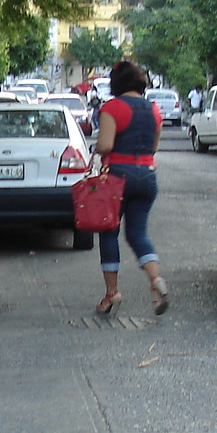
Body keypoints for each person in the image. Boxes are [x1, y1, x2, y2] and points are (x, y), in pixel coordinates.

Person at [94, 61, 168, 316]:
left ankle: (112, 292)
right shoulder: (154, 110)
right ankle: (156, 281)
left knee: (109, 232)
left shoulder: (112, 108)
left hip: (117, 177)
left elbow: (105, 145)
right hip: (147, 175)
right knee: (137, 234)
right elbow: (154, 147)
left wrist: (96, 147)